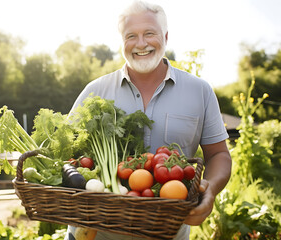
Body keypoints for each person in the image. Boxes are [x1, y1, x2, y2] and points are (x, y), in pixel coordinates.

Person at [65, 1, 232, 239]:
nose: (141, 43)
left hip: (168, 234)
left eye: (149, 33)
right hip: (92, 233)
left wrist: (211, 189)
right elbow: (65, 153)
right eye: (131, 35)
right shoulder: (95, 91)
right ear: (122, 41)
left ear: (165, 36)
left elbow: (218, 154)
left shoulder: (200, 91)